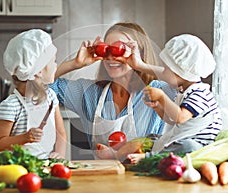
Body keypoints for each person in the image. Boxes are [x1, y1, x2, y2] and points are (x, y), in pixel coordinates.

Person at [50, 22, 176, 160]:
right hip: (104, 177)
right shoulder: (90, 93)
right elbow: (39, 83)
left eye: (119, 49)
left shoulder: (158, 90)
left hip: (146, 176)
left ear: (139, 53)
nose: (111, 57)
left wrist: (141, 65)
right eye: (106, 50)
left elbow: (181, 80)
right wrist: (75, 63)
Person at [126, 34, 223, 164]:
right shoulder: (183, 89)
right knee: (152, 138)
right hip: (182, 136)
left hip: (198, 144)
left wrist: (161, 97)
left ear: (181, 72)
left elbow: (180, 117)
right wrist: (158, 107)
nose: (163, 73)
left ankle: (149, 157)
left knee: (188, 147)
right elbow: (170, 120)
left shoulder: (199, 93)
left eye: (167, 68)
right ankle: (117, 153)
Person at [0, 29, 67, 159]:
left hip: (47, 165)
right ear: (38, 71)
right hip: (21, 169)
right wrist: (25, 138)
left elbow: (61, 133)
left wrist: (59, 155)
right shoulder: (11, 105)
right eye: (53, 62)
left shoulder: (50, 96)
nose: (55, 66)